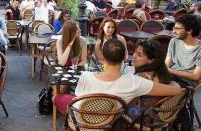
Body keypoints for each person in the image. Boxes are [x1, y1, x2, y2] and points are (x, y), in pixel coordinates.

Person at [53, 39, 182, 115]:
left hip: (81, 122)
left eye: (139, 54)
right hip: (108, 122)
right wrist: (174, 83)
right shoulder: (136, 81)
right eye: (135, 53)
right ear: (123, 58)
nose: (135, 56)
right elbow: (177, 90)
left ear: (102, 57)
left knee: (58, 97)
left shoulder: (85, 76)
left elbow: (78, 97)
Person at [166, 14, 201, 86]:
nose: (173, 31)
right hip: (171, 76)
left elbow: (196, 76)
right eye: (174, 28)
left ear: (189, 30)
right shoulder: (174, 41)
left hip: (186, 82)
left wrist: (169, 70)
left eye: (177, 29)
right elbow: (167, 64)